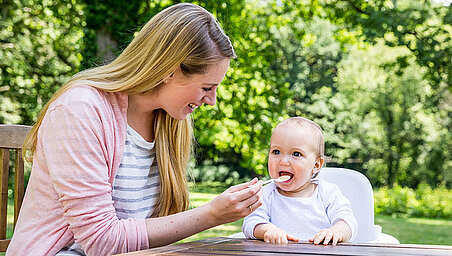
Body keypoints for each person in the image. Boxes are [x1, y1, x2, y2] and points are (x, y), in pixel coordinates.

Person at [6, 3, 263, 256]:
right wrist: (211, 215)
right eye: (206, 87)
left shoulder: (172, 123)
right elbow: (101, 242)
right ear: (169, 71)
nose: (212, 101)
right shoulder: (80, 109)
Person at [242, 117, 357, 245]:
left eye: (296, 154)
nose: (283, 161)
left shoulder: (327, 193)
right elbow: (250, 223)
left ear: (316, 165)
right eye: (276, 152)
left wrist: (337, 231)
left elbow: (347, 221)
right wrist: (267, 230)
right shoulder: (266, 194)